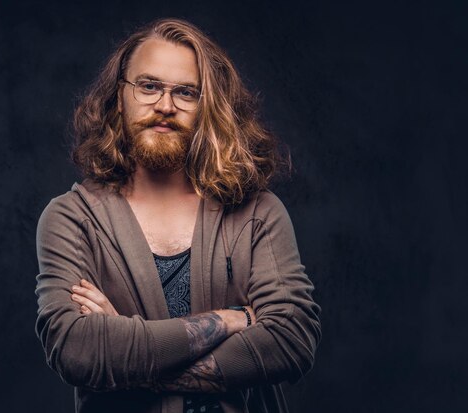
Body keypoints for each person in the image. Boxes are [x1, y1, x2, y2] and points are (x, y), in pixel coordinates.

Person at [35, 18, 321, 413]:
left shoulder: (256, 212)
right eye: (148, 86)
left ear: (207, 106)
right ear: (120, 96)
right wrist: (231, 319)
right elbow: (77, 351)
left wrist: (127, 354)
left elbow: (291, 340)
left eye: (186, 92)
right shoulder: (73, 219)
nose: (165, 106)